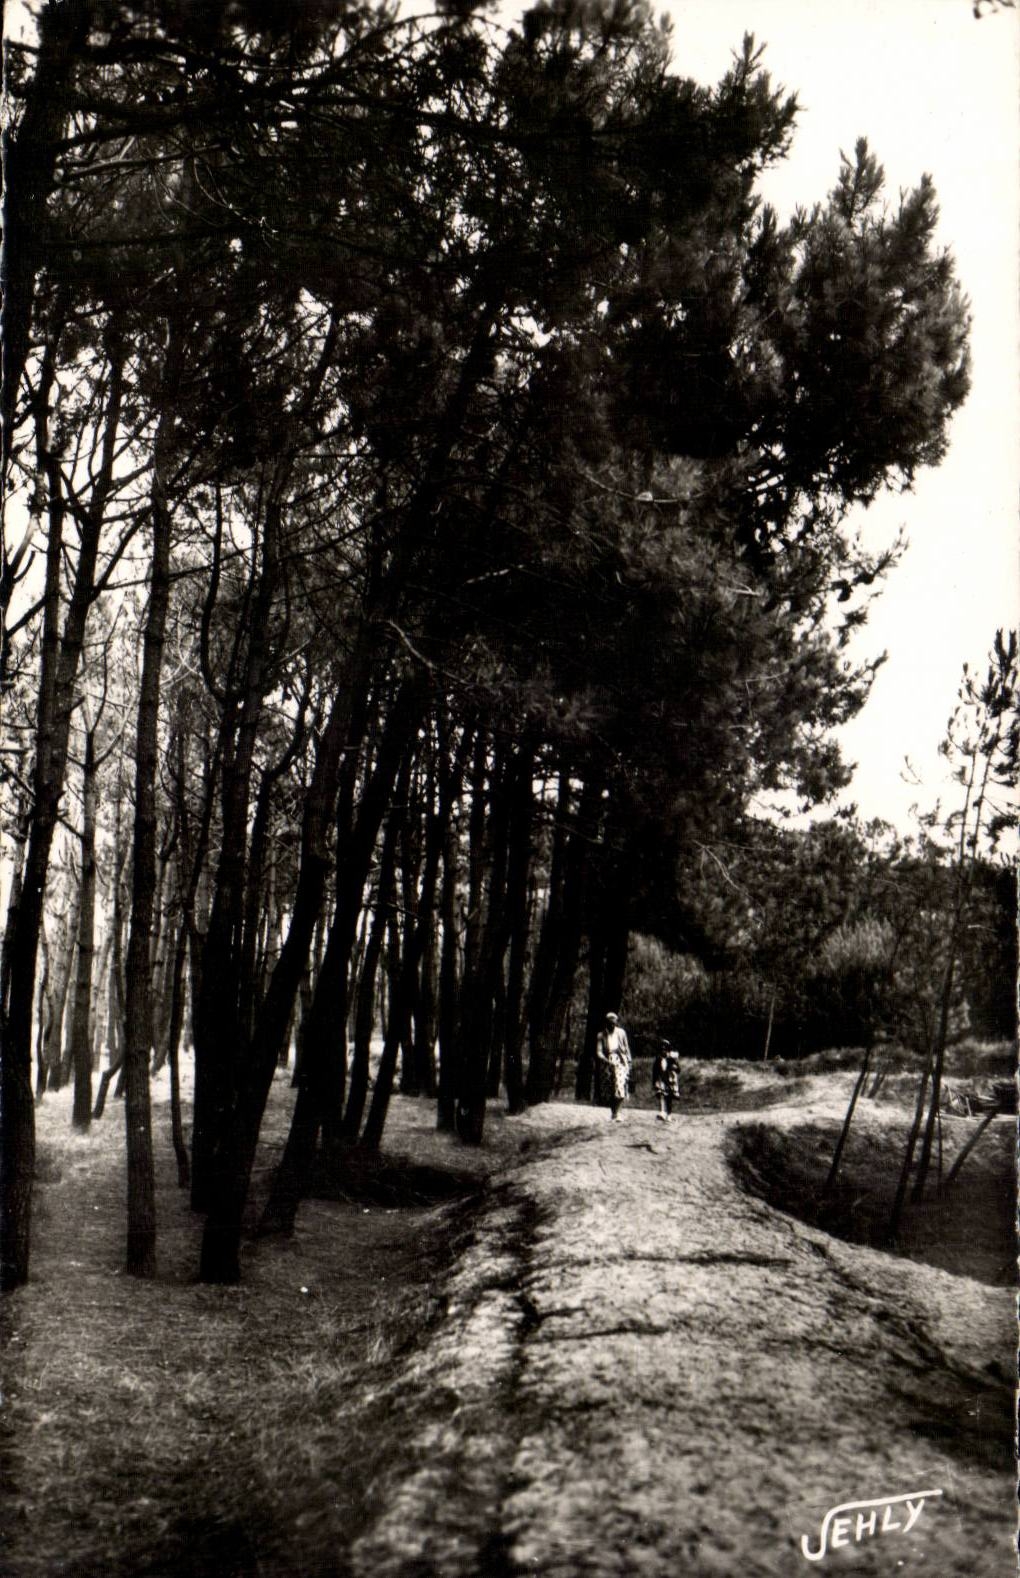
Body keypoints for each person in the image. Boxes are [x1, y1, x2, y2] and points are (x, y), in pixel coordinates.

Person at [595, 1011, 632, 1122]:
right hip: (608, 1063)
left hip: (621, 1061)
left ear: (616, 1023)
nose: (612, 1025)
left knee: (620, 1086)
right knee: (610, 1089)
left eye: (613, 1023)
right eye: (609, 1023)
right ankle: (613, 1113)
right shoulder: (601, 1035)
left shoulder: (621, 1033)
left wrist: (629, 1061)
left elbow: (626, 1047)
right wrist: (606, 1060)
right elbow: (599, 1051)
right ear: (606, 1023)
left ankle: (618, 1113)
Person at [652, 1038, 682, 1122]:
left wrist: (675, 1068)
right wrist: (654, 1082)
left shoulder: (672, 1060)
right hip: (661, 1080)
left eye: (665, 1049)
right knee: (661, 1095)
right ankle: (662, 1112)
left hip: (669, 1081)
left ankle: (669, 1114)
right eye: (661, 1050)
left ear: (668, 1050)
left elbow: (678, 1069)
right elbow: (655, 1072)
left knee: (669, 1097)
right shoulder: (658, 1060)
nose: (663, 1051)